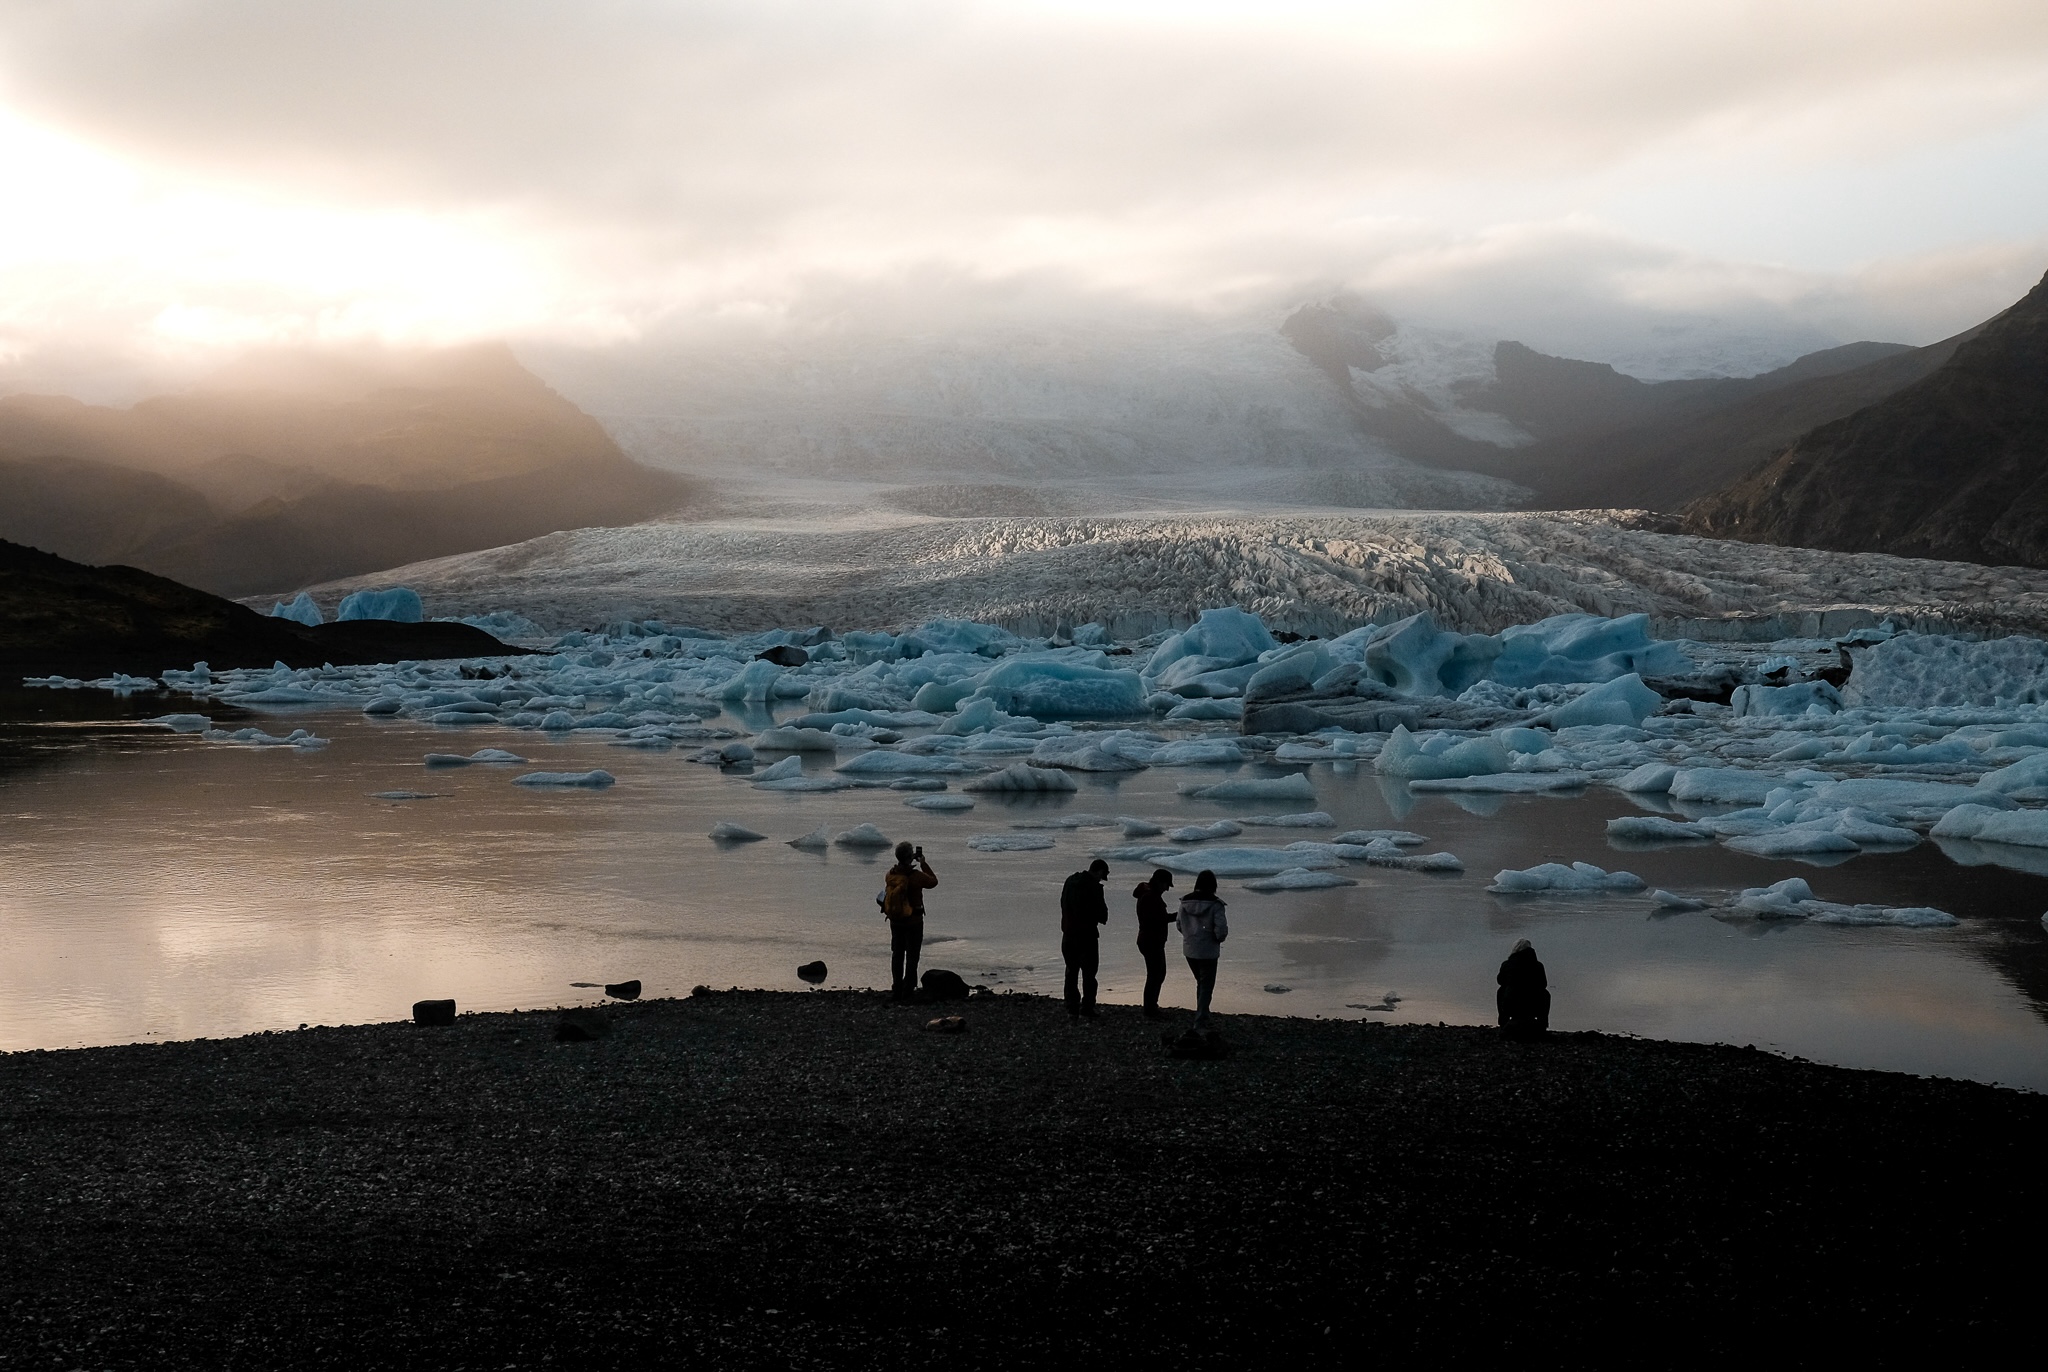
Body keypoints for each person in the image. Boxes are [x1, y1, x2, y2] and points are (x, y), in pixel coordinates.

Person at [883, 841, 937, 1001]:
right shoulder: (915, 876)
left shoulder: (890, 874)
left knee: (897, 955)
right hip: (913, 921)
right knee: (912, 956)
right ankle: (908, 991)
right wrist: (923, 863)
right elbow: (933, 882)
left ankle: (896, 990)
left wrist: (909, 861)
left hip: (895, 920)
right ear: (910, 856)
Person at [1059, 858, 1111, 1020]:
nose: (1102, 879)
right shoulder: (1093, 887)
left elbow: (1063, 903)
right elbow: (1101, 914)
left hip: (1068, 934)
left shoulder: (1070, 881)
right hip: (1087, 936)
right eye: (1103, 876)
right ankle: (1087, 1008)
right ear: (1100, 871)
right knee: (1089, 974)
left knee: (1071, 971)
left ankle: (1071, 1008)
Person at [1176, 870, 1228, 1030]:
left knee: (1201, 982)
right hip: (1208, 951)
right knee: (1206, 985)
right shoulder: (1216, 904)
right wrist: (1217, 938)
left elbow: (1179, 924)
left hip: (1190, 949)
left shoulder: (1185, 902)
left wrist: (1190, 936)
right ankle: (1201, 1020)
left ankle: (1202, 1013)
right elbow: (1221, 930)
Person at [1132, 868, 1176, 1019]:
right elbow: (1157, 919)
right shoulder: (1151, 897)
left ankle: (1151, 1008)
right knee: (1156, 975)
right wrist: (1178, 916)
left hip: (1148, 940)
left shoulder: (1147, 895)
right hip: (1151, 941)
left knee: (1156, 974)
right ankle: (1150, 1010)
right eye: (1166, 884)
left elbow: (1157, 918)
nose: (1167, 888)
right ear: (1159, 882)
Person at [1497, 938, 1550, 1039]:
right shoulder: (1538, 966)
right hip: (1534, 1004)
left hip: (1511, 1004)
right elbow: (1543, 984)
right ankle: (1542, 1024)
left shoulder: (1507, 964)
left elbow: (1500, 981)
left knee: (1501, 991)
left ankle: (1503, 1023)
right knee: (1545, 993)